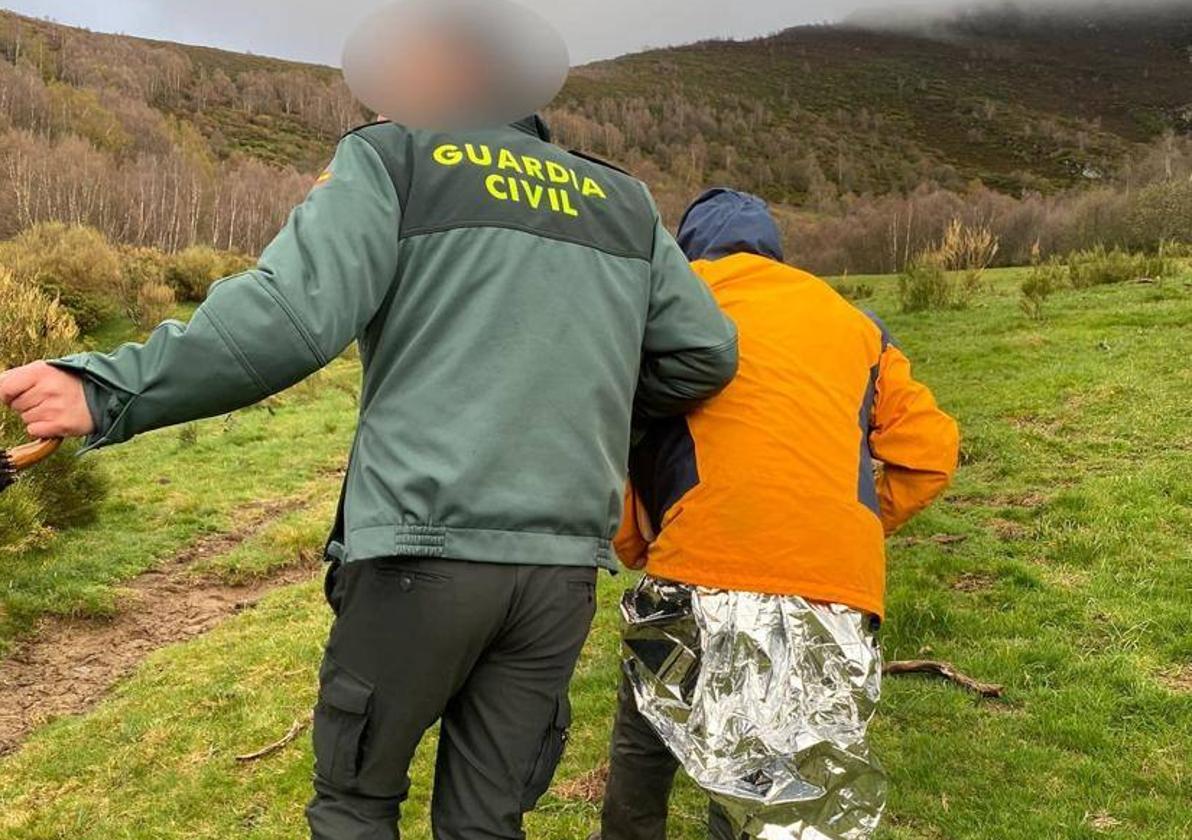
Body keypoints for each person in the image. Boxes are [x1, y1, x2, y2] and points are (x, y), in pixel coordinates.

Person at [0, 116, 739, 840]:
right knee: (489, 819)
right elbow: (704, 353)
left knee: (357, 805)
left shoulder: (398, 156)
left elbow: (288, 315)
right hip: (560, 571)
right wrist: (585, 407)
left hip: (419, 554)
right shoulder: (624, 200)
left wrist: (106, 390)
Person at [594, 189, 960, 840]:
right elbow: (929, 453)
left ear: (690, 249)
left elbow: (606, 433)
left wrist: (637, 545)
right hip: (833, 587)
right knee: (766, 789)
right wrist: (855, 528)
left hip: (697, 568)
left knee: (646, 737)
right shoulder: (856, 323)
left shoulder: (665, 305)